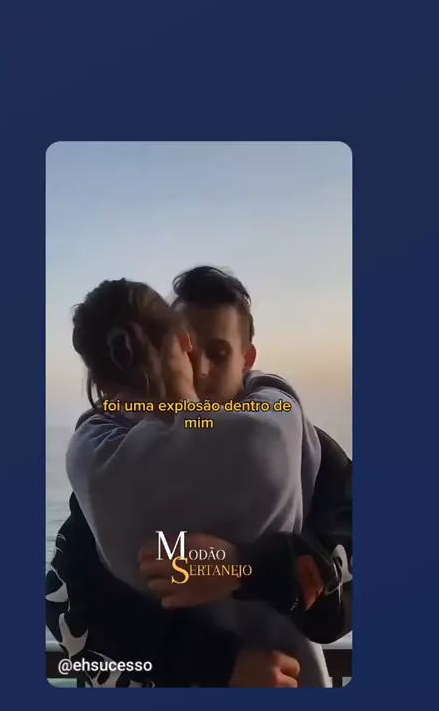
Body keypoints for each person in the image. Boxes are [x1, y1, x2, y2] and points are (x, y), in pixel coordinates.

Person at [46, 266, 351, 686]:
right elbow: (69, 602)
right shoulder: (128, 462)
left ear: (247, 361)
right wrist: (221, 665)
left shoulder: (310, 455)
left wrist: (246, 567)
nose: (200, 369)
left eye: (219, 353)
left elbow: (349, 590)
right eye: (188, 352)